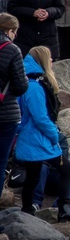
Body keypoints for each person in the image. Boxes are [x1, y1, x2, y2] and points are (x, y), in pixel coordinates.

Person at [16, 46, 70, 223]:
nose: (52, 61)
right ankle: (64, 209)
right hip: (39, 138)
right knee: (66, 169)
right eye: (50, 58)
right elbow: (40, 117)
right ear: (43, 60)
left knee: (33, 175)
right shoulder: (34, 86)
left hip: (29, 137)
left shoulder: (28, 81)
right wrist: (54, 135)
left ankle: (27, 211)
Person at [0, 14, 29, 201]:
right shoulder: (11, 50)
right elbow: (20, 86)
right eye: (14, 31)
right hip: (5, 114)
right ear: (8, 31)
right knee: (0, 163)